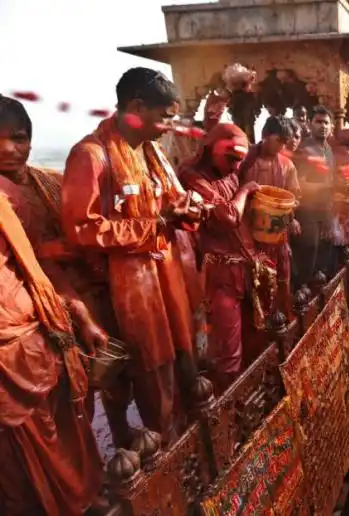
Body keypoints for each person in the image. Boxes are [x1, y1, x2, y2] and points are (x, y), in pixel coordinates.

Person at [61, 67, 201, 445]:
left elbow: (170, 204)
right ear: (137, 107)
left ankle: (184, 441)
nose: (170, 126)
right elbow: (81, 229)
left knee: (181, 357)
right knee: (146, 370)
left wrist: (186, 210)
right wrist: (153, 223)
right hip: (124, 285)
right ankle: (157, 454)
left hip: (165, 274)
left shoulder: (151, 151)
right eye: (165, 116)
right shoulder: (91, 155)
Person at [0, 96, 114, 419]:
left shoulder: (52, 181)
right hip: (39, 315)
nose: (8, 149)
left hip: (85, 293)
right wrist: (45, 253)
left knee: (107, 380)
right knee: (67, 405)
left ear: (30, 142)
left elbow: (88, 225)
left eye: (18, 138)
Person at [0, 190, 105, 515]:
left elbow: (29, 262)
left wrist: (73, 311)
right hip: (7, 360)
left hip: (38, 332)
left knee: (69, 430)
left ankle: (82, 499)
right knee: (19, 469)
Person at [179, 123, 274, 391]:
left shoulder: (230, 175)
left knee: (254, 335)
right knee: (227, 351)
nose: (235, 167)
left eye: (239, 161)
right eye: (231, 159)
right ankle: (228, 413)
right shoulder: (192, 175)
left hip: (244, 269)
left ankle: (251, 396)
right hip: (219, 274)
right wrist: (245, 191)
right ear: (211, 149)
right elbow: (226, 218)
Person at [239, 116, 301, 316]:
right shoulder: (245, 160)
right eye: (278, 140)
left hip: (277, 229)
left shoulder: (287, 165)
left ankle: (279, 319)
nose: (281, 146)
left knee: (281, 274)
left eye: (285, 142)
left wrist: (290, 217)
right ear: (265, 135)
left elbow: (294, 197)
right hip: (248, 230)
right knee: (253, 279)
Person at [293, 105, 335, 285]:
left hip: (324, 210)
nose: (323, 126)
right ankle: (300, 293)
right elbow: (298, 184)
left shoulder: (329, 150)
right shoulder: (304, 149)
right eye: (318, 122)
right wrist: (325, 187)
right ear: (310, 124)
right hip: (306, 210)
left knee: (323, 255)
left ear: (331, 126)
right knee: (308, 252)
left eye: (326, 122)